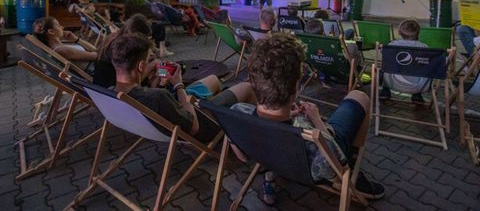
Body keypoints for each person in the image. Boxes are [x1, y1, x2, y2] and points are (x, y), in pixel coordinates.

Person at [231, 33, 384, 204]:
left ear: (253, 82)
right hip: (321, 157)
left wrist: (287, 115)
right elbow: (336, 169)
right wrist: (317, 120)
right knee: (359, 96)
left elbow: (242, 157)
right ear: (296, 88)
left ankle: (271, 175)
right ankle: (354, 169)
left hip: (270, 158)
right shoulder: (311, 137)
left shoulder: (236, 112)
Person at [110, 33, 257, 143]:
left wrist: (155, 83)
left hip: (175, 114)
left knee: (213, 79)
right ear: (141, 66)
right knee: (246, 87)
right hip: (203, 125)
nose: (153, 63)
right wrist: (178, 84)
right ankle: (255, 137)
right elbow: (194, 127)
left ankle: (219, 103)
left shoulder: (112, 93)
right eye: (149, 59)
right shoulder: (157, 97)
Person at [93, 14, 172, 88]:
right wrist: (154, 64)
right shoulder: (124, 48)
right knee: (158, 66)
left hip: (103, 88)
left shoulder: (115, 40)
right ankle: (165, 82)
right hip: (116, 88)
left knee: (159, 66)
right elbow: (132, 78)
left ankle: (164, 80)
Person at [379, 19, 429, 103]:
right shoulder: (424, 47)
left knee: (386, 65)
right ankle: (417, 95)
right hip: (417, 85)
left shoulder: (392, 45)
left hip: (393, 82)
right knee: (423, 67)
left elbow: (383, 52)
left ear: (399, 32)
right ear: (418, 33)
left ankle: (385, 91)